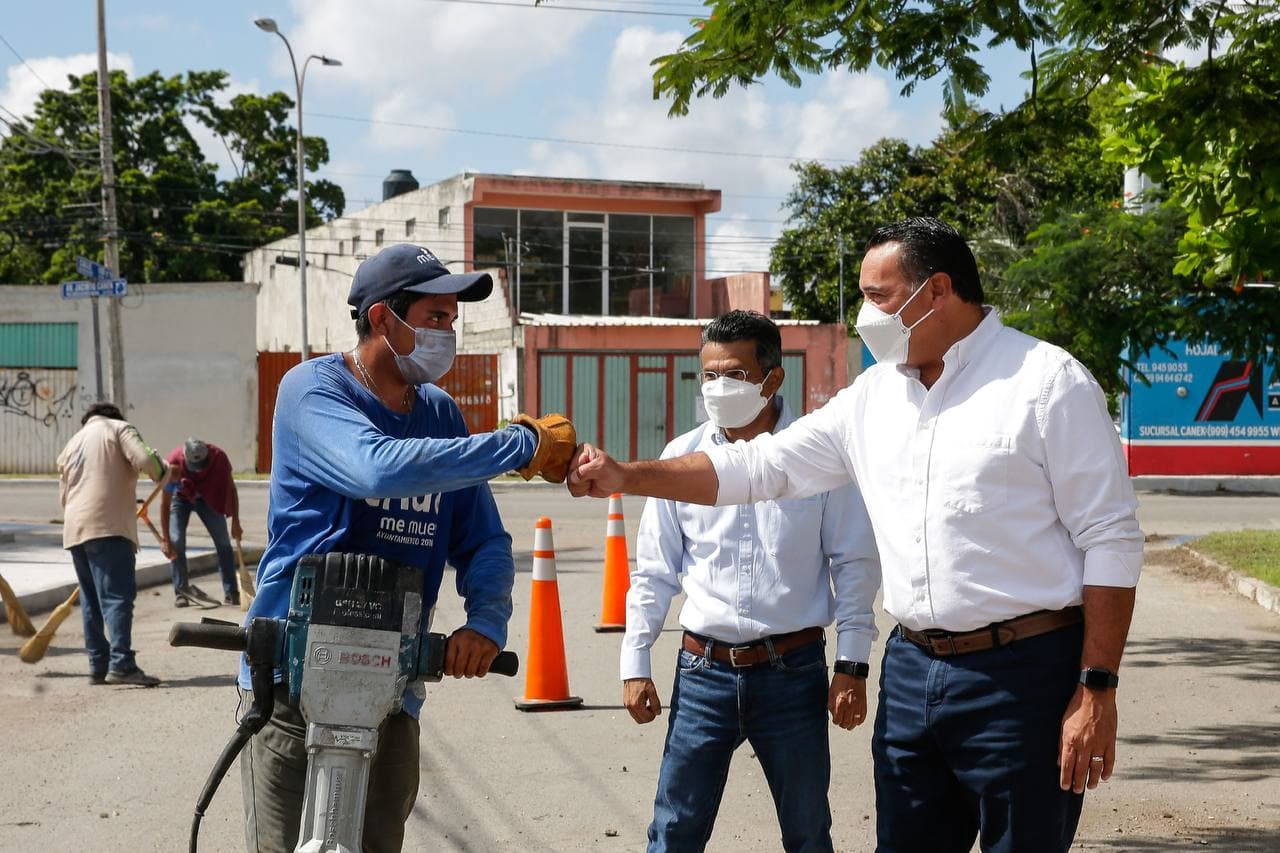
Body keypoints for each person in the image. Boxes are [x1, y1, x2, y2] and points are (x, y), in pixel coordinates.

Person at [570, 217, 1144, 853]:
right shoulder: (872, 396)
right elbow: (762, 465)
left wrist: (1096, 689)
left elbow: (1111, 539)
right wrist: (629, 474)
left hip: (1023, 676)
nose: (866, 314)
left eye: (879, 297)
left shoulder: (1045, 383)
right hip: (912, 670)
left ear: (938, 291)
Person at [237, 242, 575, 853]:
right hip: (292, 675)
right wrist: (516, 446)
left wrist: (485, 624)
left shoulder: (440, 413)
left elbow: (484, 541)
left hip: (389, 681)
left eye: (452, 320)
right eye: (433, 318)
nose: (447, 333)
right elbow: (375, 470)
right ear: (381, 319)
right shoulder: (312, 390)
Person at [623, 310, 881, 853]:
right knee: (674, 830)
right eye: (709, 375)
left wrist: (852, 665)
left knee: (808, 832)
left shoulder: (819, 458)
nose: (718, 388)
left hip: (793, 672)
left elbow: (853, 562)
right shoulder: (681, 459)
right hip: (702, 674)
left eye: (734, 375)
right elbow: (653, 570)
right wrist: (635, 662)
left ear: (773, 378)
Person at [56, 402, 169, 687]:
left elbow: (63, 492)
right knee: (117, 598)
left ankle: (98, 665)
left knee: (91, 602)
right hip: (108, 526)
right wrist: (163, 470)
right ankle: (122, 664)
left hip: (75, 528)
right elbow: (145, 460)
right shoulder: (119, 428)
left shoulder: (73, 442)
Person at [160, 437, 242, 607]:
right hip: (180, 497)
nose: (197, 471)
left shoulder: (219, 458)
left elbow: (231, 489)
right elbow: (165, 503)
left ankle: (231, 591)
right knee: (177, 542)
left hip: (208, 497)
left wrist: (236, 521)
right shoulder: (174, 464)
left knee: (224, 543)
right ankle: (181, 591)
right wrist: (165, 539)